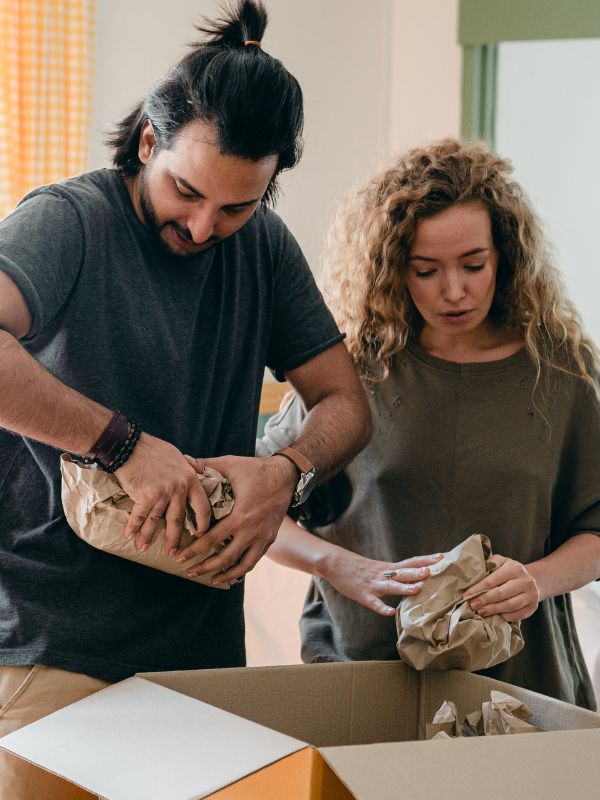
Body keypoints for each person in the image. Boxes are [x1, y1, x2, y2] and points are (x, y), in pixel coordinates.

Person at [0, 2, 371, 796]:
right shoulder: (68, 222)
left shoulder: (265, 250)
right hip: (48, 650)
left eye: (238, 206)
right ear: (147, 144)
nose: (204, 227)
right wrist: (123, 446)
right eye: (187, 191)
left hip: (200, 656)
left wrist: (288, 472)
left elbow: (345, 403)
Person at [261, 138, 600, 709]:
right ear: (395, 268)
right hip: (364, 682)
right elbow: (260, 510)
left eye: (474, 264)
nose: (454, 291)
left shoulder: (560, 371)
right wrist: (340, 566)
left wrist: (536, 580)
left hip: (522, 687)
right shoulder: (354, 374)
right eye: (426, 270)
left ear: (505, 256)